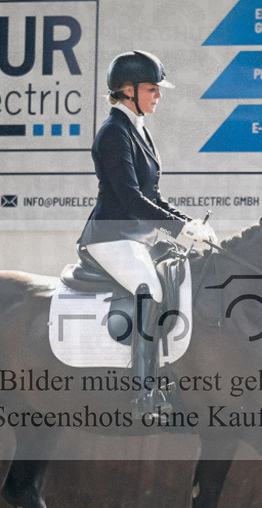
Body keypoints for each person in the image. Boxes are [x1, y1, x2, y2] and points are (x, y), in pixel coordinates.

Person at [78, 50, 215, 419]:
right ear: (127, 89)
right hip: (110, 236)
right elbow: (130, 198)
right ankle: (143, 394)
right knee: (149, 290)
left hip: (137, 237)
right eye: (152, 89)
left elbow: (153, 197)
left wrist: (189, 223)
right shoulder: (113, 133)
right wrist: (178, 227)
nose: (159, 96)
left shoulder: (139, 131)